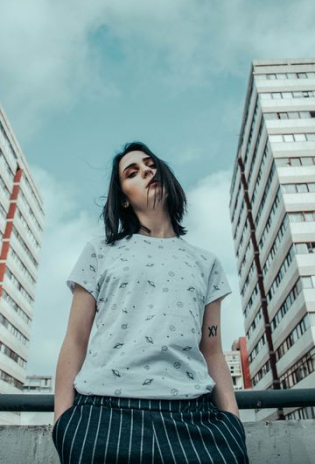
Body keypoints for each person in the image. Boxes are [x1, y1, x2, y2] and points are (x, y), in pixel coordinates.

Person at [51, 141, 249, 463]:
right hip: (104, 419)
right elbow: (75, 340)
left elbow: (212, 350)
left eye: (150, 165)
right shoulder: (99, 252)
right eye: (133, 172)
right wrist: (63, 423)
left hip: (196, 421)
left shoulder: (206, 262)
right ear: (124, 199)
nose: (146, 171)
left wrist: (234, 424)